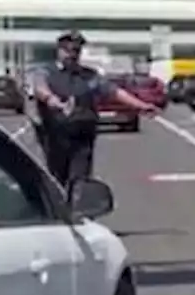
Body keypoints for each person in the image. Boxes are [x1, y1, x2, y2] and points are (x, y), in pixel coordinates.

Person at [34, 30, 157, 190]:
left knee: (80, 179)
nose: (72, 55)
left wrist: (140, 105)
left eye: (76, 51)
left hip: (82, 136)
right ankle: (60, 207)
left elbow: (113, 91)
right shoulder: (46, 72)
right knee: (57, 178)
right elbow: (39, 87)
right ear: (59, 50)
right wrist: (50, 99)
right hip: (56, 136)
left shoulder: (89, 75)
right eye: (68, 50)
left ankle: (78, 209)